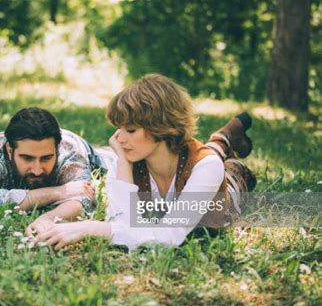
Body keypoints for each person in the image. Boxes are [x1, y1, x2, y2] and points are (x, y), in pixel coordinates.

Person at [33, 74, 256, 250]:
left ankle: (222, 142)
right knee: (211, 154)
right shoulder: (130, 159)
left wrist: (88, 228)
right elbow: (122, 222)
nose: (118, 138)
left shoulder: (205, 166)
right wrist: (123, 164)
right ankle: (222, 139)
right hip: (188, 162)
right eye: (119, 128)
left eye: (130, 130)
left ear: (162, 127)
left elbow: (170, 235)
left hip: (224, 193)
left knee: (225, 168)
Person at [0, 107, 114, 235]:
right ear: (10, 150)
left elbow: (84, 200)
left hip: (90, 154)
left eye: (46, 158)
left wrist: (47, 219)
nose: (37, 170)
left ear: (57, 150)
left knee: (122, 160)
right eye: (27, 158)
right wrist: (59, 192)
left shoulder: (69, 152)